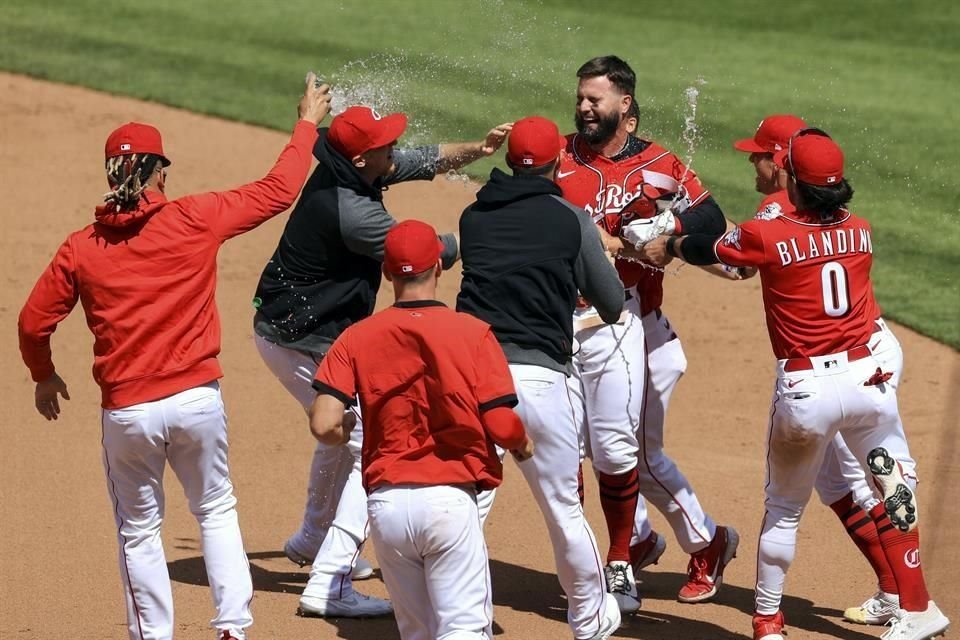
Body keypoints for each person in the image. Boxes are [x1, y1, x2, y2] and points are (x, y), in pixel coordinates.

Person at [17, 75, 332, 640]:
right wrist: (306, 121)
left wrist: (44, 376)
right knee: (215, 510)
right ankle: (233, 629)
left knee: (139, 530)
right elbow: (280, 189)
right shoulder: (195, 217)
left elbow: (32, 323)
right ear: (158, 171)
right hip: (196, 403)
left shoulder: (81, 247)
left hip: (129, 415)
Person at [654, 128, 949, 640]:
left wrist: (673, 241)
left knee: (784, 510)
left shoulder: (770, 235)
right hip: (866, 380)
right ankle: (917, 606)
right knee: (895, 489)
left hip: (808, 392)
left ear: (791, 177)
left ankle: (768, 620)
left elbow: (716, 248)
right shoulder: (861, 229)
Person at [251, 105, 512, 617]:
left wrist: (477, 150)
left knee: (342, 429)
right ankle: (331, 580)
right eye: (386, 144)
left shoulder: (348, 164)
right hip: (302, 340)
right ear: (364, 155)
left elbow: (417, 159)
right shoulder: (354, 212)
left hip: (295, 330)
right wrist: (503, 239)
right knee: (371, 443)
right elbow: (424, 254)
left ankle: (312, 539)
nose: (397, 148)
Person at [556, 55, 737, 610]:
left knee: (631, 450)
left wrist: (670, 226)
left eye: (596, 99)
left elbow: (712, 219)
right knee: (596, 445)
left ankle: (707, 541)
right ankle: (635, 538)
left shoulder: (659, 164)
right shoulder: (561, 158)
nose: (585, 107)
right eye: (581, 98)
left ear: (624, 105)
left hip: (643, 329)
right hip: (583, 324)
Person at [308, 219, 533, 640]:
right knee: (463, 628)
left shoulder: (356, 337)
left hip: (387, 508)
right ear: (440, 269)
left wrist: (342, 435)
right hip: (449, 503)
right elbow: (501, 424)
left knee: (418, 632)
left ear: (386, 273)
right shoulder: (474, 333)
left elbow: (324, 423)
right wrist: (521, 445)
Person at [458, 116, 625, 640]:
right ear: (558, 161)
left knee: (467, 506)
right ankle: (590, 618)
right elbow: (614, 305)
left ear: (510, 160)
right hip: (542, 380)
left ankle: (464, 620)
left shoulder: (472, 218)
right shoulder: (570, 219)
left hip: (476, 380)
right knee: (561, 506)